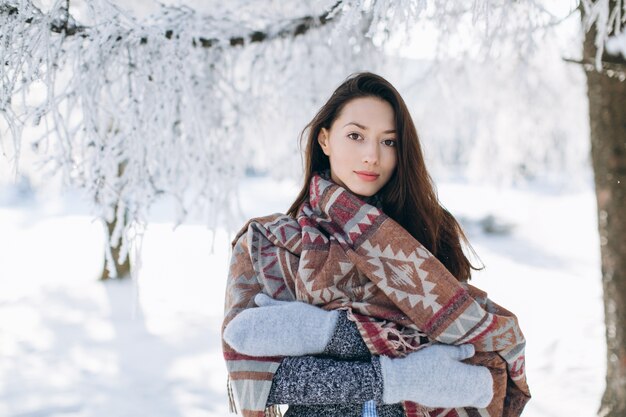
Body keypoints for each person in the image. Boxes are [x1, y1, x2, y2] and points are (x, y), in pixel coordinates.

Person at [221, 73, 530, 417]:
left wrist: (317, 336)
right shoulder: (270, 244)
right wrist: (397, 374)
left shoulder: (428, 230)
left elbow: (471, 359)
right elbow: (263, 378)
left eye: (389, 142)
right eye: (356, 136)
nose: (372, 156)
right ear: (325, 139)